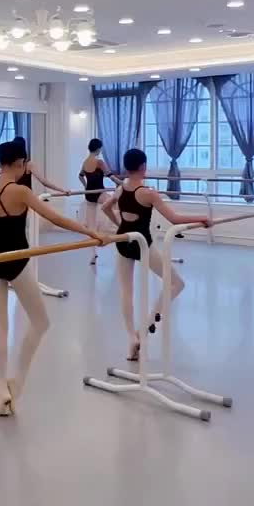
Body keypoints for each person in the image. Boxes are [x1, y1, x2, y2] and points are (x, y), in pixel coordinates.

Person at [0, 140, 105, 417]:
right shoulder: (21, 191)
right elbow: (55, 218)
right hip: (17, 261)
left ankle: (1, 389)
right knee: (41, 322)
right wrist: (90, 232)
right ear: (20, 163)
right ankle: (17, 382)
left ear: (0, 163)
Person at [102, 148, 209, 362]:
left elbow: (105, 207)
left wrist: (120, 225)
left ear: (127, 167)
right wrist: (202, 219)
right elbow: (174, 219)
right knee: (176, 283)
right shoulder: (148, 193)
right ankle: (149, 322)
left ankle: (132, 338)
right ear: (143, 166)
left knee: (126, 291)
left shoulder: (121, 189)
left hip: (123, 241)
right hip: (142, 245)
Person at [78, 138, 120, 265]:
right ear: (98, 148)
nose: (101, 150)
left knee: (91, 226)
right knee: (116, 206)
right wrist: (122, 183)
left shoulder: (85, 162)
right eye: (100, 148)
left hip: (89, 194)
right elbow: (111, 176)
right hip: (99, 192)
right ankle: (120, 228)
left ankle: (93, 254)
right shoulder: (99, 162)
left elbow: (80, 176)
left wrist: (85, 186)